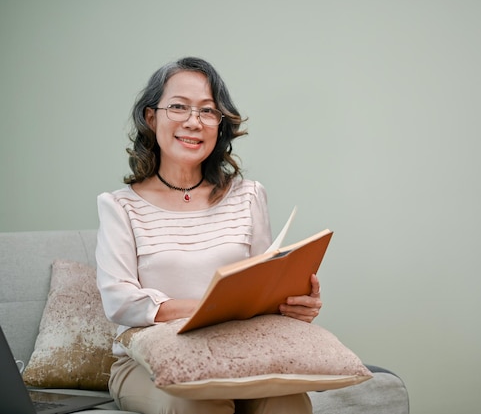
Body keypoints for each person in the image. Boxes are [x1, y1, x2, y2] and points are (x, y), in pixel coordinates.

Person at [95, 56, 322, 414]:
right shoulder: (120, 206)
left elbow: (263, 284)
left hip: (240, 354)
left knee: (289, 401)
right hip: (149, 362)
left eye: (207, 111)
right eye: (179, 107)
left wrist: (294, 304)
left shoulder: (248, 196)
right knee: (199, 402)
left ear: (220, 124)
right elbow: (120, 301)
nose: (193, 121)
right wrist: (213, 307)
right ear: (151, 118)